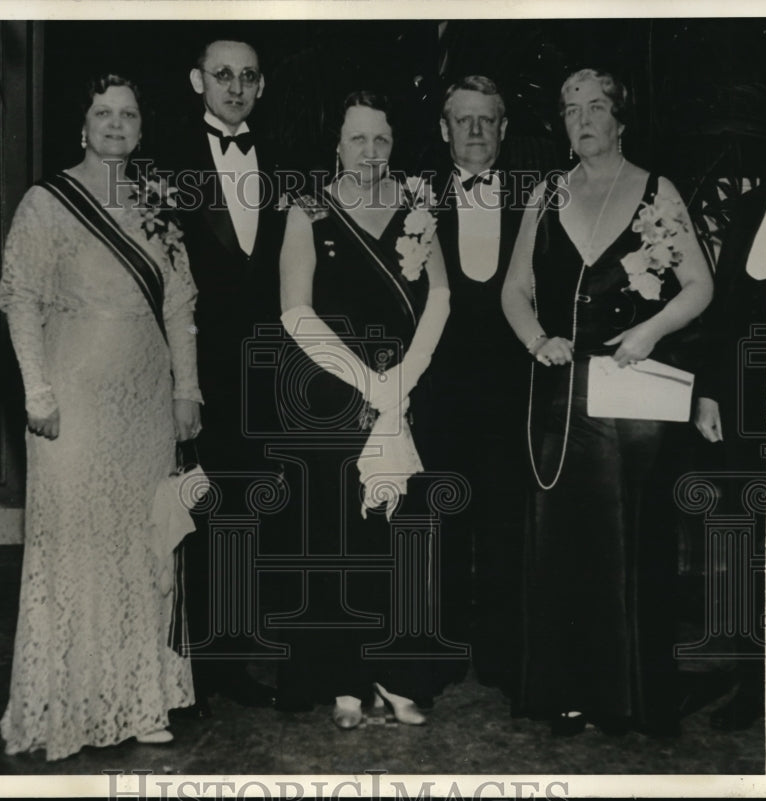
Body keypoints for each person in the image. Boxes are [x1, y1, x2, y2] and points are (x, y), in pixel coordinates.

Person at [0, 74, 202, 760]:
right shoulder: (46, 203)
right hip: (73, 405)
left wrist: (188, 392)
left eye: (129, 114)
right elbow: (21, 298)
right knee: (80, 547)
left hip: (145, 404)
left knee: (144, 547)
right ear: (81, 126)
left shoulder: (158, 202)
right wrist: (37, 394)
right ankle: (74, 705)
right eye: (102, 113)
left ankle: (142, 700)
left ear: (142, 128)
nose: (116, 124)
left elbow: (179, 308)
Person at [501, 68, 713, 736]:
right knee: (562, 543)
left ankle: (629, 697)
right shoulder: (544, 194)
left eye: (596, 107)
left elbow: (699, 286)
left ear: (620, 119)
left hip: (633, 388)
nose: (583, 118)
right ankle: (565, 691)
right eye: (570, 109)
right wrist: (537, 339)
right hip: (561, 393)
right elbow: (513, 290)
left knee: (631, 542)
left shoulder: (658, 190)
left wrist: (649, 331)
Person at [277, 90, 450, 729]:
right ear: (338, 145)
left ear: (393, 145)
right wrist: (366, 384)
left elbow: (441, 300)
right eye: (357, 139)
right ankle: (344, 677)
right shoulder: (308, 208)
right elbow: (296, 310)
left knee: (402, 537)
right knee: (342, 536)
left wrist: (403, 380)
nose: (370, 152)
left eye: (381, 140)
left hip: (407, 393)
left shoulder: (418, 207)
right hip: (335, 396)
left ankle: (398, 672)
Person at [164, 35, 284, 714]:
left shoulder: (284, 166)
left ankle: (233, 660)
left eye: (247, 77)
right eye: (222, 75)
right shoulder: (168, 165)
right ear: (197, 80)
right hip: (194, 371)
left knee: (244, 517)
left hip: (263, 371)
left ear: (260, 87)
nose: (234, 87)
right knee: (190, 513)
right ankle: (186, 666)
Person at [422, 75, 528, 695]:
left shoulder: (536, 199)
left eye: (487, 119)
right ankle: (438, 653)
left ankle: (501, 655)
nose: (476, 131)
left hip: (511, 391)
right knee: (441, 518)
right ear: (443, 129)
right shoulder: (416, 199)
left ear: (504, 128)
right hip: (439, 392)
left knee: (505, 522)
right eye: (463, 120)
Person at [692, 182, 766, 731]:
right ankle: (755, 679)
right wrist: (710, 391)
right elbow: (724, 309)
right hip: (745, 404)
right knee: (746, 543)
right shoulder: (751, 206)